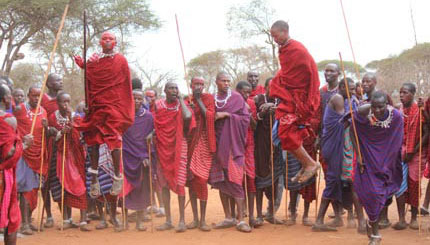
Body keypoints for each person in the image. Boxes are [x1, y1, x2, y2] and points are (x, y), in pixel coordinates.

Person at [74, 31, 134, 198]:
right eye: (105, 39)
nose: (107, 41)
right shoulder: (95, 59)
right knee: (93, 138)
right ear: (100, 42)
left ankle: (117, 176)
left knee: (114, 138)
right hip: (97, 105)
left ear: (115, 42)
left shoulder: (121, 60)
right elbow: (91, 74)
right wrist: (83, 64)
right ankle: (93, 178)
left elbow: (124, 84)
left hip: (113, 106)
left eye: (111, 39)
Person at [269, 20, 320, 183]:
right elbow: (286, 73)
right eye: (272, 37)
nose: (274, 39)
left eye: (276, 36)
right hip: (289, 98)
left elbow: (311, 73)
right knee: (281, 134)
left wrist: (306, 98)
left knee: (285, 131)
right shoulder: (284, 49)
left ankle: (310, 164)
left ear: (285, 31)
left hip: (299, 100)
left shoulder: (297, 49)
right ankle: (306, 164)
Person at [351, 91, 403, 245]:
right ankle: (375, 235)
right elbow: (351, 129)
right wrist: (358, 154)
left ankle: (371, 222)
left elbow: (396, 140)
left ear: (386, 105)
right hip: (367, 160)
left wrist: (388, 161)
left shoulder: (396, 117)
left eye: (380, 107)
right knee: (371, 194)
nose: (377, 110)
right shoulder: (363, 112)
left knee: (383, 197)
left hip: (387, 162)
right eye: (374, 107)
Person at [313, 78, 362, 232]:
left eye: (354, 89)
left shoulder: (347, 98)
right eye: (351, 89)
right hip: (333, 146)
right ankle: (319, 221)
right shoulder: (338, 98)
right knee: (333, 180)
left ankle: (352, 219)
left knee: (344, 181)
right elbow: (345, 120)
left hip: (341, 146)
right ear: (342, 87)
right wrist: (361, 107)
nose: (353, 92)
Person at [209, 72, 251, 233]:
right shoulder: (211, 99)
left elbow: (245, 119)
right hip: (216, 146)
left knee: (235, 181)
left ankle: (241, 220)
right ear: (216, 82)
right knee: (221, 182)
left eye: (228, 81)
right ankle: (228, 217)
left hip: (233, 147)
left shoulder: (236, 98)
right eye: (223, 81)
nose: (226, 83)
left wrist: (226, 115)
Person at [152, 82, 194, 232]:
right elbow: (155, 124)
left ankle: (182, 221)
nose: (174, 90)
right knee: (164, 184)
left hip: (179, 146)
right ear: (165, 90)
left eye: (176, 88)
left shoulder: (182, 106)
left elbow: (188, 117)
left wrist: (182, 100)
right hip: (162, 148)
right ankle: (168, 220)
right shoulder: (158, 105)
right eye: (171, 88)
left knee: (180, 181)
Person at [47, 92, 90, 231]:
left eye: (68, 101)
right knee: (61, 186)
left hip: (75, 157)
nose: (65, 105)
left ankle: (83, 220)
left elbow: (80, 135)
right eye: (63, 102)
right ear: (57, 103)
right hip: (59, 156)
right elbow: (52, 136)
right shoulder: (52, 118)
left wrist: (71, 125)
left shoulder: (75, 117)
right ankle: (66, 219)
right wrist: (60, 133)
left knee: (80, 185)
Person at [392, 83, 428, 230]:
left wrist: (413, 151)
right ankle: (401, 219)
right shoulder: (399, 110)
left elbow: (426, 133)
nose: (402, 95)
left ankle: (413, 218)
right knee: (399, 185)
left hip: (416, 153)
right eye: (400, 92)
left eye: (405, 92)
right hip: (400, 152)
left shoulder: (419, 110)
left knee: (413, 184)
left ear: (413, 94)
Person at [13, 85, 49, 235]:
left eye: (38, 96)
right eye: (33, 95)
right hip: (24, 155)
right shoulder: (20, 109)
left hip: (39, 155)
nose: (36, 98)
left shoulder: (44, 112)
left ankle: (28, 218)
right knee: (25, 189)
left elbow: (45, 135)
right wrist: (21, 140)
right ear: (28, 95)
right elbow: (10, 127)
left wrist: (47, 128)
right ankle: (24, 223)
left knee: (35, 190)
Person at [0, 84, 33, 245]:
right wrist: (24, 145)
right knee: (10, 217)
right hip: (3, 177)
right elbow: (9, 153)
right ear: (5, 99)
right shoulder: (7, 120)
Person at [185, 77, 215, 232]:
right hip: (190, 144)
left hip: (203, 141)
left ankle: (203, 220)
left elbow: (209, 116)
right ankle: (195, 219)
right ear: (191, 85)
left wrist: (198, 100)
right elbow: (184, 120)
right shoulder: (186, 100)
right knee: (191, 181)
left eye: (202, 84)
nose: (199, 87)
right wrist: (189, 108)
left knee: (201, 180)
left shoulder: (207, 98)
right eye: (196, 84)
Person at [122, 90, 153, 231]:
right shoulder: (123, 115)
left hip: (141, 158)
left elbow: (151, 138)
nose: (137, 101)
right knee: (124, 190)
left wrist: (147, 156)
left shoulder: (148, 117)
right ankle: (124, 221)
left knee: (141, 190)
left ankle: (139, 222)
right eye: (134, 98)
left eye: (140, 99)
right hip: (125, 156)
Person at [254, 78, 284, 225]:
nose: (273, 89)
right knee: (260, 178)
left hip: (277, 145)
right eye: (270, 86)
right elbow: (254, 120)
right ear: (265, 87)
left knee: (276, 179)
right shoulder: (258, 99)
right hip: (261, 146)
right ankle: (259, 215)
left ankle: (271, 214)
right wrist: (264, 111)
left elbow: (287, 115)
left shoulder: (281, 101)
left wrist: (276, 108)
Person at [40, 73, 63, 228]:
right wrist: (48, 128)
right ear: (49, 84)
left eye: (61, 80)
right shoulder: (43, 99)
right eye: (57, 80)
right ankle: (48, 215)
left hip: (60, 144)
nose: (60, 82)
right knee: (45, 181)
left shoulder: (63, 99)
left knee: (60, 178)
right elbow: (40, 119)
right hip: (45, 144)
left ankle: (65, 216)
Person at [236, 81, 258, 227]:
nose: (246, 95)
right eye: (243, 92)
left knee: (250, 178)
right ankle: (239, 216)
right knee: (237, 180)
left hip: (249, 144)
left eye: (248, 92)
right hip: (235, 144)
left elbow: (255, 126)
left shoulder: (251, 103)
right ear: (237, 91)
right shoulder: (231, 102)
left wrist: (248, 112)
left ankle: (251, 216)